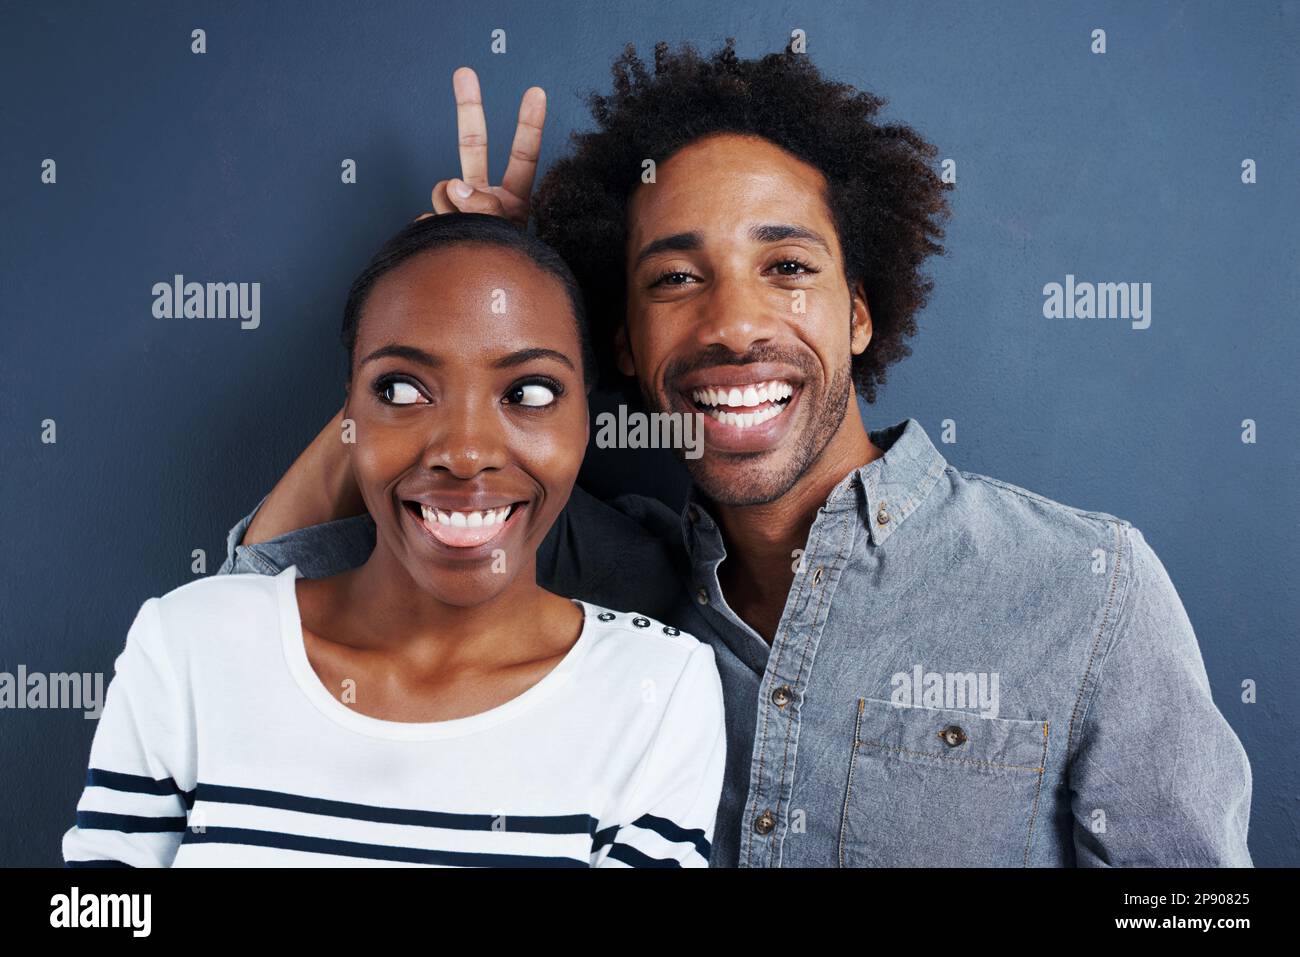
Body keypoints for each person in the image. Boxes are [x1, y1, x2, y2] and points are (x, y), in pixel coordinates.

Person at [220, 43, 1252, 867]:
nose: (732, 325)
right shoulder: (584, 576)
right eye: (675, 279)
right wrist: (457, 306)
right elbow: (271, 587)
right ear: (624, 343)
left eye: (786, 267)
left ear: (857, 311)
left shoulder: (1083, 588)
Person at [63, 213, 726, 868]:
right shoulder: (187, 645)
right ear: (348, 417)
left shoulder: (658, 691)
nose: (465, 452)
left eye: (528, 391)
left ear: (585, 418)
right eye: (401, 388)